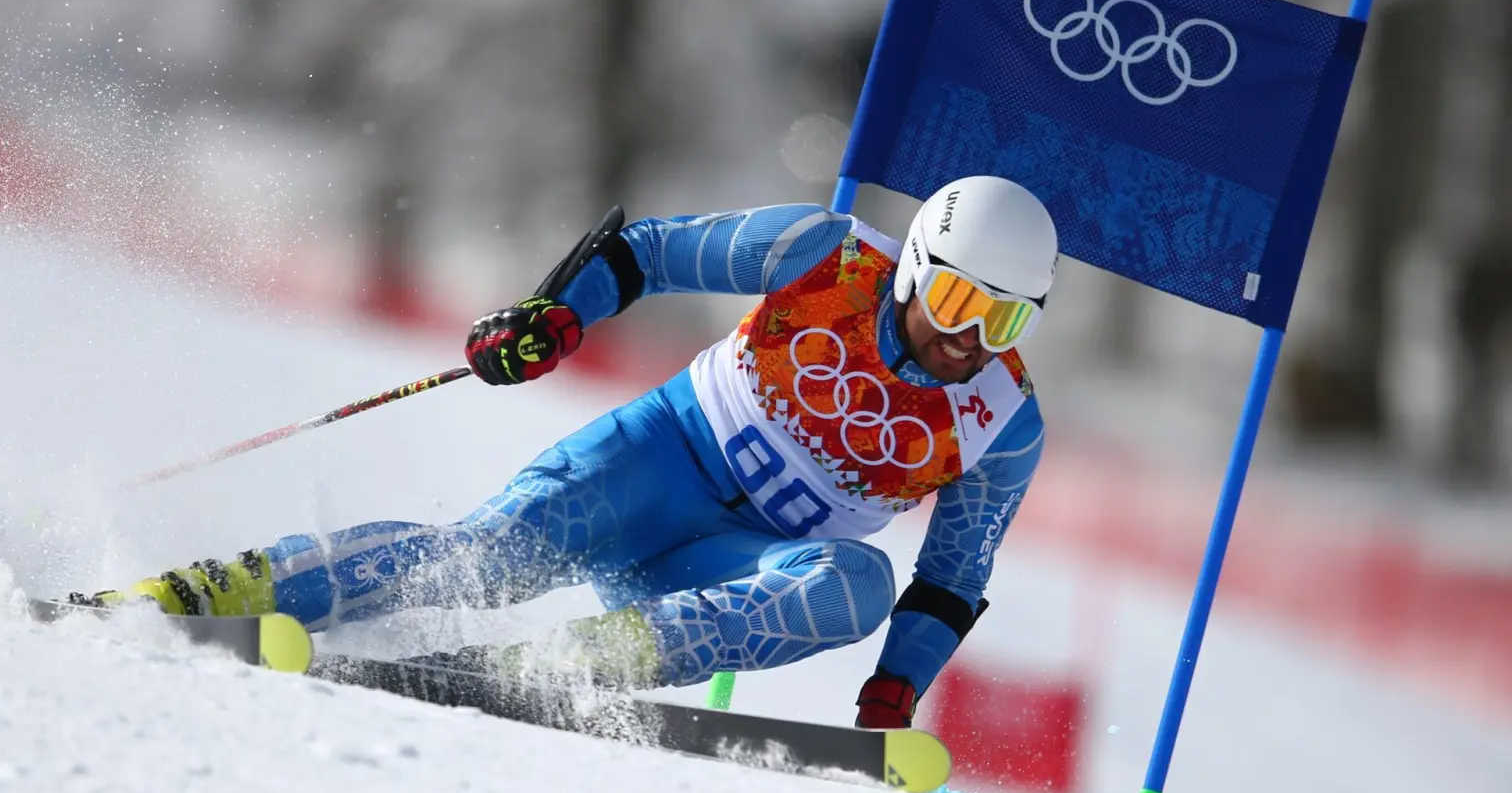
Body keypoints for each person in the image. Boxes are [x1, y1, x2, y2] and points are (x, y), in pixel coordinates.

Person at [71, 175, 1054, 729]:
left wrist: (895, 686)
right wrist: (556, 317)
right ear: (916, 267)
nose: (972, 338)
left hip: (731, 566)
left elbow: (952, 574)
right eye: (961, 300)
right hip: (654, 464)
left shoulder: (1003, 423)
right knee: (484, 561)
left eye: (1005, 320)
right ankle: (218, 589)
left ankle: (559, 666)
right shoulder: (821, 255)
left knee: (857, 585)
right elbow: (651, 251)